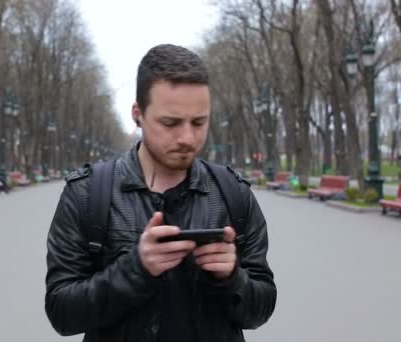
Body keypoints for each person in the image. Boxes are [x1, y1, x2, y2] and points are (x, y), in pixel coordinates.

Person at [45, 44, 276, 342]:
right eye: (170, 123)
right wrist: (135, 269)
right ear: (137, 113)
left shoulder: (233, 193)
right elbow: (62, 313)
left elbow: (262, 307)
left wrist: (232, 279)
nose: (187, 138)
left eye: (199, 122)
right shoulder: (87, 194)